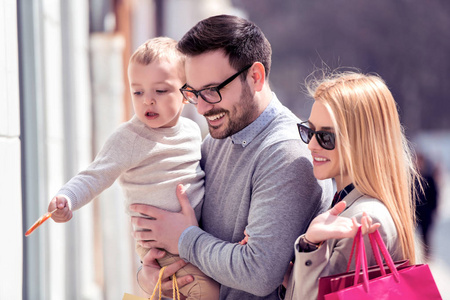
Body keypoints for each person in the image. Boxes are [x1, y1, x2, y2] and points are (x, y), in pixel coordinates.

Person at [130, 14, 333, 299]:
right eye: (193, 92)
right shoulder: (220, 136)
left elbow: (258, 273)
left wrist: (183, 238)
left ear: (256, 77)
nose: (200, 108)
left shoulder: (286, 154)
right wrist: (149, 273)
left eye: (212, 91)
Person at [47, 37, 219, 299]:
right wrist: (67, 198)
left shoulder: (193, 130)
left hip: (197, 235)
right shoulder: (129, 137)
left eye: (160, 91)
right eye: (137, 92)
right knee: (207, 292)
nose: (147, 101)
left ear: (186, 94)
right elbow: (95, 175)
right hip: (161, 246)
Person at [283, 71, 420, 299]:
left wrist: (310, 244)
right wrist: (294, 276)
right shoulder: (350, 206)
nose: (311, 146)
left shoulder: (364, 219)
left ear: (360, 142)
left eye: (326, 137)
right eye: (309, 132)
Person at [414, 151, 439, 260]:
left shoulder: (429, 178)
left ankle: (426, 254)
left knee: (426, 234)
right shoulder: (411, 177)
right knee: (412, 234)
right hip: (414, 212)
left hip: (426, 212)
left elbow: (434, 195)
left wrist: (433, 209)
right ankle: (412, 253)